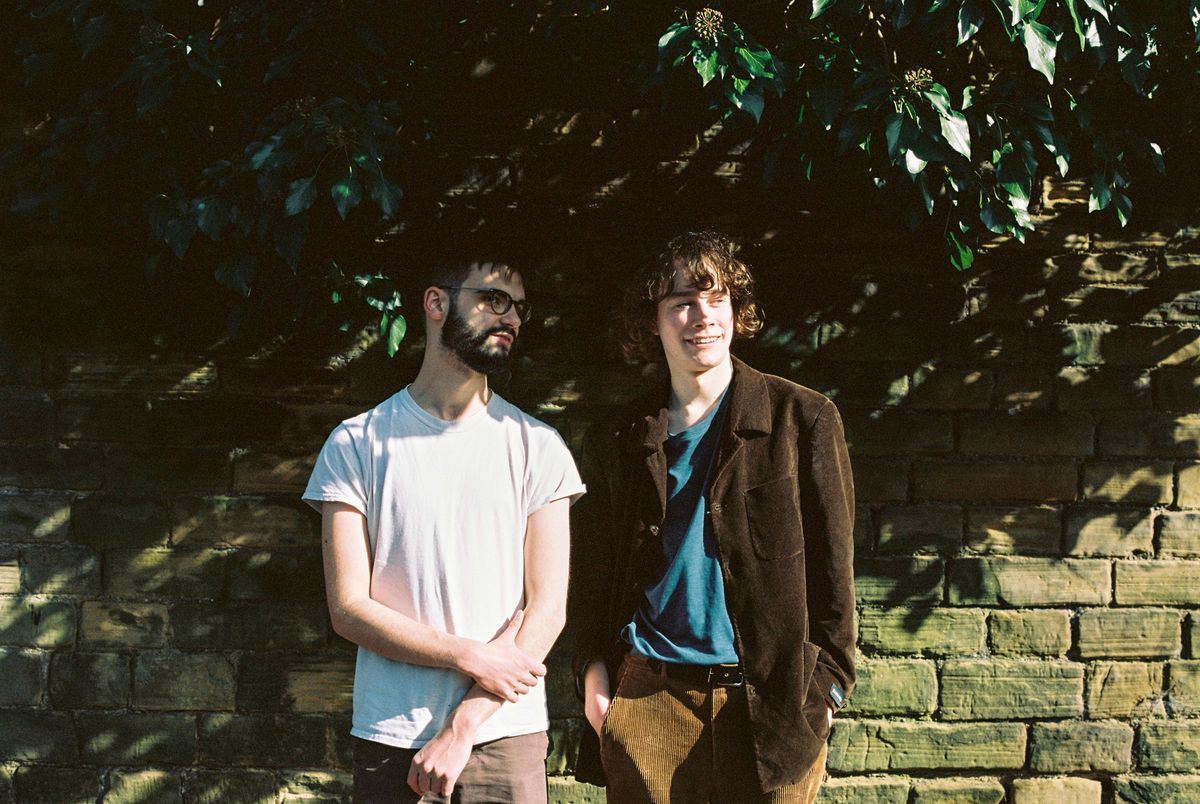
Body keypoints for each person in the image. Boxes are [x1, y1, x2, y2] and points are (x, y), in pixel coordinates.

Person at [570, 232, 856, 802]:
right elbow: (592, 574)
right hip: (648, 700)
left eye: (717, 298)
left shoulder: (803, 420)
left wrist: (827, 692)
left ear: (736, 309)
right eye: (681, 303)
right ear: (652, 321)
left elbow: (835, 573)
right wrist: (597, 683)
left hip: (774, 711)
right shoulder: (620, 437)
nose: (702, 317)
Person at [304, 254, 585, 803]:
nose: (511, 318)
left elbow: (547, 610)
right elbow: (348, 608)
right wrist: (468, 653)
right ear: (436, 304)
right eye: (493, 300)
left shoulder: (537, 446)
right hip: (392, 733)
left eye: (519, 307)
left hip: (505, 734)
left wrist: (463, 727)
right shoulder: (357, 444)